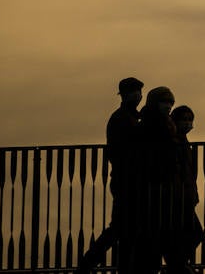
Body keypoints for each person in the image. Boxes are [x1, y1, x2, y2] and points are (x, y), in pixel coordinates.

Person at [76, 77, 144, 274]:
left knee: (124, 228)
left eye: (138, 92)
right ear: (124, 95)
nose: (137, 95)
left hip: (128, 179)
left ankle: (107, 264)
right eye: (133, 92)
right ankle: (88, 263)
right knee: (120, 227)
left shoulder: (131, 116)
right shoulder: (121, 118)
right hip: (126, 180)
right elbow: (116, 152)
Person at [124, 86, 183, 274]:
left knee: (156, 233)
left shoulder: (160, 122)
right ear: (155, 103)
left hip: (161, 184)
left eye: (170, 103)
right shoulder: (151, 124)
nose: (168, 106)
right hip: (154, 184)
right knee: (154, 232)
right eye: (164, 102)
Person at [166, 105, 203, 274]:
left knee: (187, 234)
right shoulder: (174, 142)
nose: (188, 123)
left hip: (185, 196)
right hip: (177, 198)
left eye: (190, 120)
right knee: (194, 233)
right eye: (184, 119)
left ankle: (177, 266)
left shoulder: (182, 142)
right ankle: (177, 266)